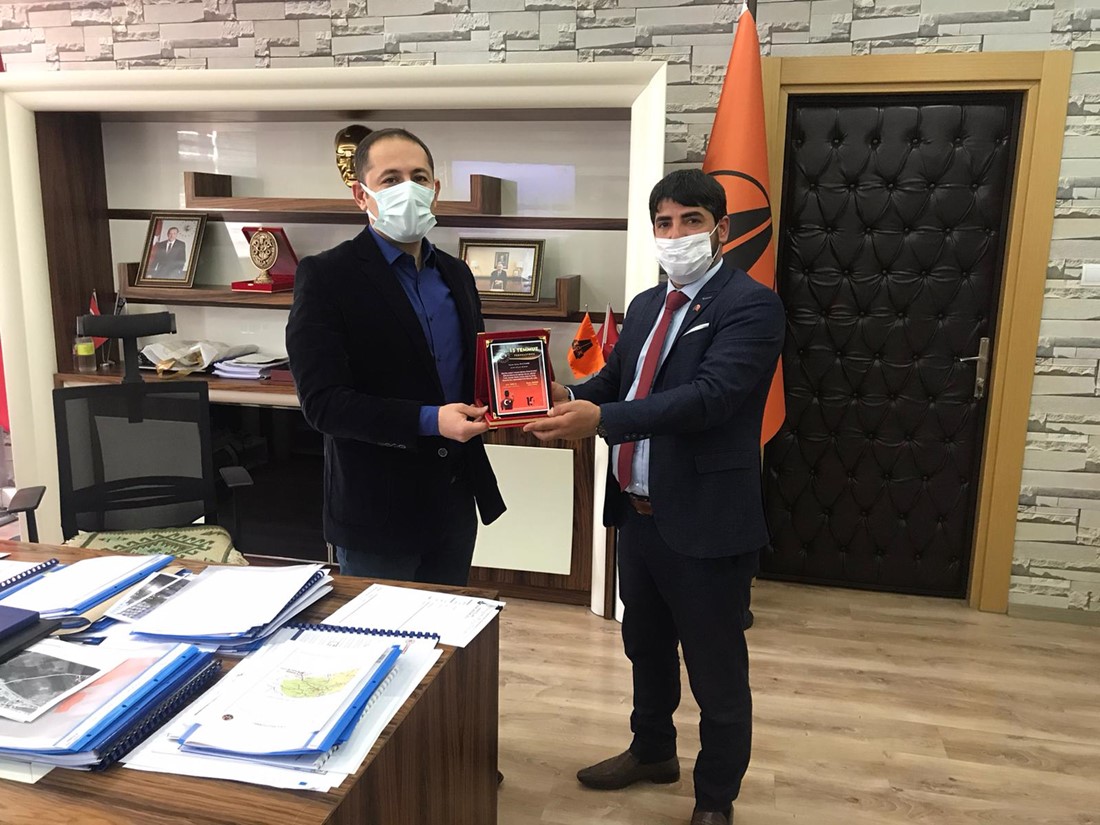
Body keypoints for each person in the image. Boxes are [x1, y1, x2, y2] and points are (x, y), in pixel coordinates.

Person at [523, 169, 784, 825]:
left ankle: (715, 798)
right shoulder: (644, 306)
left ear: (721, 229)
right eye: (664, 222)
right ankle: (652, 751)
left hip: (706, 522)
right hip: (637, 517)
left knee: (716, 672)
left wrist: (602, 421)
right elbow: (614, 380)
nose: (675, 234)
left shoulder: (751, 306)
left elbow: (710, 398)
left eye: (691, 220)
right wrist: (564, 398)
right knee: (645, 646)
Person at [286, 127, 506, 586]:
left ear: (435, 190)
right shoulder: (326, 276)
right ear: (361, 195)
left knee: (450, 625)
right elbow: (323, 404)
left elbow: (471, 372)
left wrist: (522, 394)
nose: (408, 188)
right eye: (390, 179)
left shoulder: (457, 274)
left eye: (419, 177)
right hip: (377, 512)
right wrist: (431, 420)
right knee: (382, 629)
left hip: (454, 500)